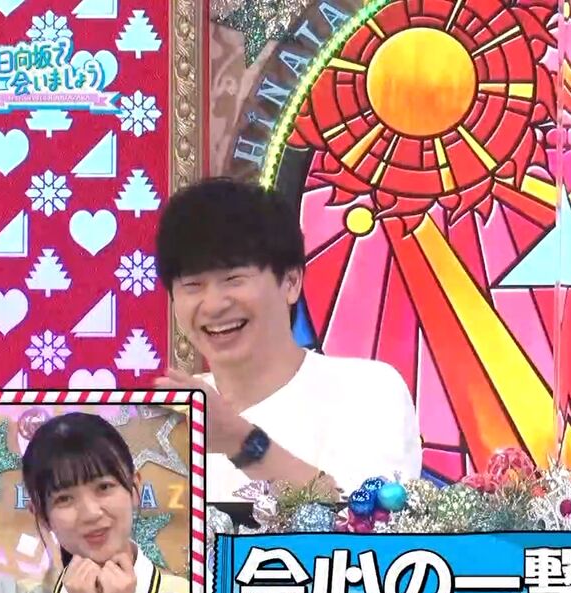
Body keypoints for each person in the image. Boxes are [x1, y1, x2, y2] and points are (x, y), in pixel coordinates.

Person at [152, 178, 422, 510]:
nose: (213, 305)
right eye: (193, 285)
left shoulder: (368, 390)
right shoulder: (166, 420)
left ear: (291, 282)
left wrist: (242, 442)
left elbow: (367, 523)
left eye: (233, 279)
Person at [0, 412, 189, 593]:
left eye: (104, 487)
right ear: (42, 515)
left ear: (134, 488)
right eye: (64, 498)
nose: (90, 513)